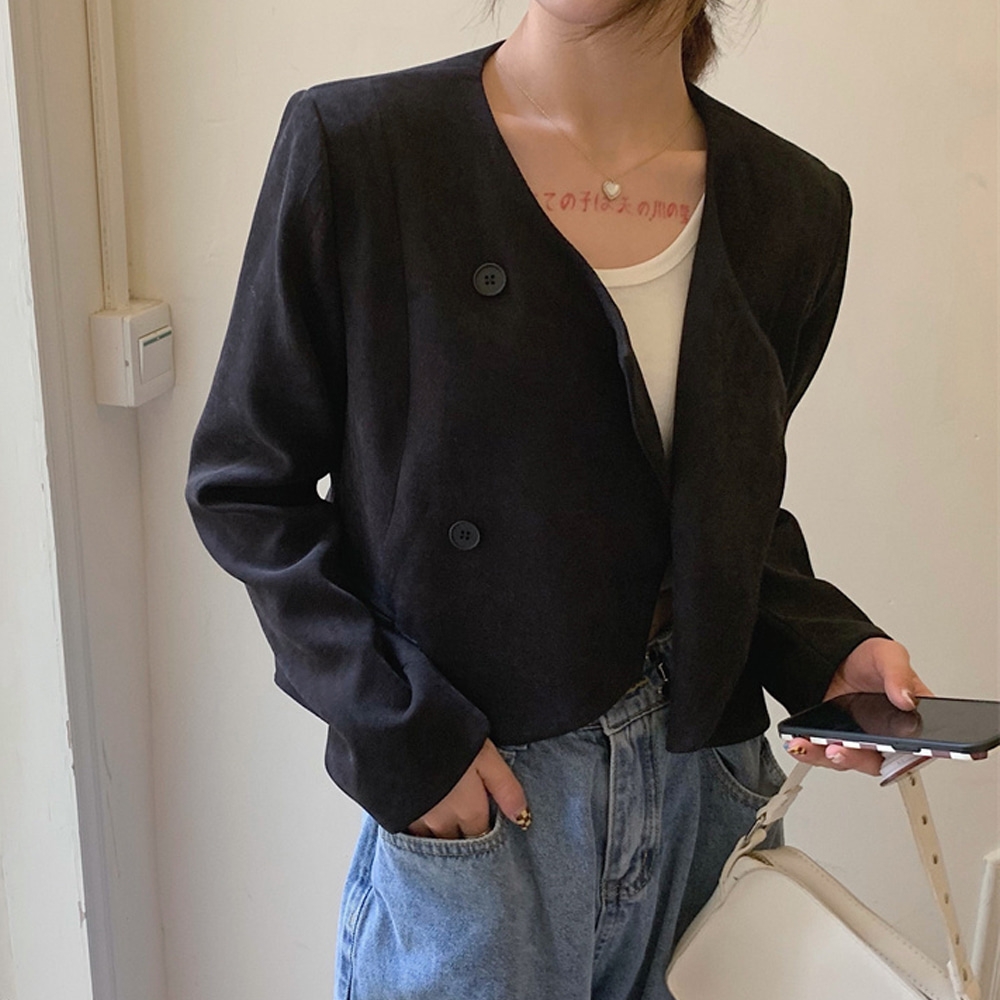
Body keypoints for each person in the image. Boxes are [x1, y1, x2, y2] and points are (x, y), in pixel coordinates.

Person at [186, 1, 932, 996]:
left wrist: (825, 648)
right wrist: (400, 732)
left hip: (707, 788)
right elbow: (246, 483)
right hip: (484, 795)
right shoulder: (363, 149)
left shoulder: (793, 207)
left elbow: (720, 511)